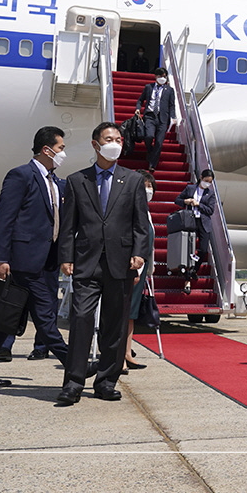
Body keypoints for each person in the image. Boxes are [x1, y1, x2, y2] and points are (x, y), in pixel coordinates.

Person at [0, 126, 72, 388]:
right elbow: (5, 218)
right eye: (61, 148)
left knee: (4, 319)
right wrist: (1, 258)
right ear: (47, 150)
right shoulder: (21, 175)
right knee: (46, 320)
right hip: (24, 261)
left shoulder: (57, 182)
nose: (63, 153)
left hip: (47, 262)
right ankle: (76, 364)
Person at [56, 122, 151, 405]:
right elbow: (68, 225)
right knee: (81, 320)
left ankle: (106, 381)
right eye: (109, 139)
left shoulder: (132, 180)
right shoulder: (76, 180)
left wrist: (140, 254)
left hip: (121, 263)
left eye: (119, 139)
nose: (115, 143)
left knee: (114, 325)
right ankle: (73, 382)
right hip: (86, 262)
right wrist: (66, 256)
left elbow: (140, 224)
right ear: (96, 145)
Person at [124, 169, 157, 374]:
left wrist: (148, 268)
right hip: (131, 269)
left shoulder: (146, 211)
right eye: (145, 185)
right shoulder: (129, 210)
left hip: (141, 270)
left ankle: (127, 353)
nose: (148, 190)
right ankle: (118, 357)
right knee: (123, 314)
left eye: (150, 186)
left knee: (131, 316)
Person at [175, 169, 216, 294]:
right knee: (187, 250)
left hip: (203, 222)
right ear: (201, 177)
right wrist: (186, 201)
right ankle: (187, 279)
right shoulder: (190, 188)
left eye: (210, 182)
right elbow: (177, 200)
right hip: (190, 221)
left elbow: (210, 210)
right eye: (206, 181)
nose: (207, 184)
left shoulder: (211, 194)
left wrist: (198, 204)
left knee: (203, 250)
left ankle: (194, 270)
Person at [137, 67, 176, 171]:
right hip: (150, 116)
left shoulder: (170, 90)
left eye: (164, 76)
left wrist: (173, 117)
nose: (162, 78)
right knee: (149, 136)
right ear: (156, 77)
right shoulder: (148, 87)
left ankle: (152, 164)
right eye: (160, 76)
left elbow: (172, 105)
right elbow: (140, 100)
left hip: (163, 118)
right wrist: (138, 109)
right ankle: (150, 152)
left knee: (159, 142)